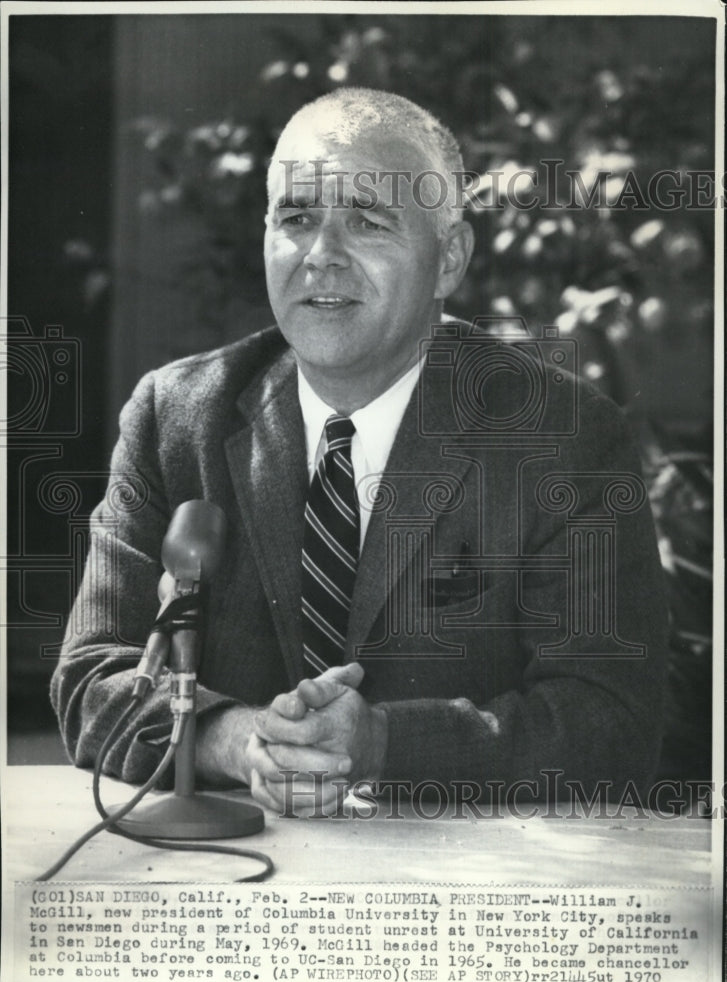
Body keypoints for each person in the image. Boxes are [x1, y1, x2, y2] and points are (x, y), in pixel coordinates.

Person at [51, 87, 668, 817]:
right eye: (296, 218)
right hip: (231, 876)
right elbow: (92, 674)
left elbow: (610, 720)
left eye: (368, 222)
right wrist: (234, 738)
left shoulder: (562, 438)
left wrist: (380, 743)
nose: (321, 256)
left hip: (457, 892)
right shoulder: (177, 417)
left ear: (449, 259)